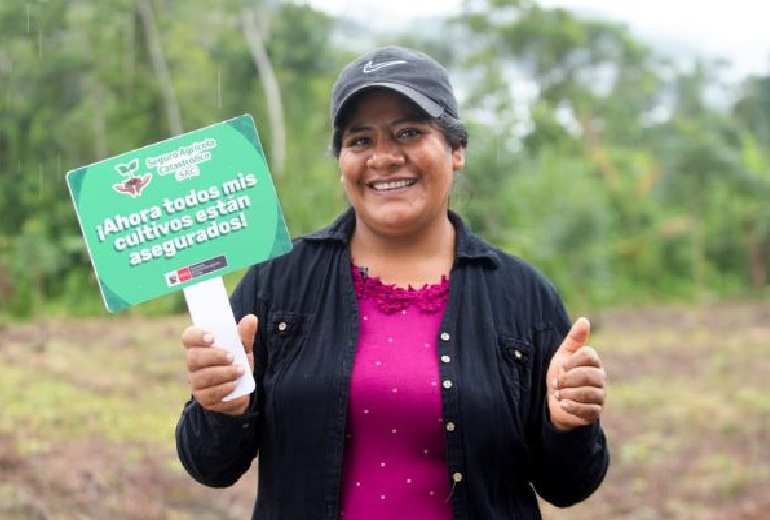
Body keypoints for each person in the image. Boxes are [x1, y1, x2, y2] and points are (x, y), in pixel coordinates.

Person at [175, 46, 609, 519]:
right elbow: (210, 466)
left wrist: (569, 425)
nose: (383, 157)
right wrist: (221, 407)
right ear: (341, 160)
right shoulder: (278, 283)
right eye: (360, 140)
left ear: (456, 149)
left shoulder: (521, 295)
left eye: (408, 132)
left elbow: (569, 486)